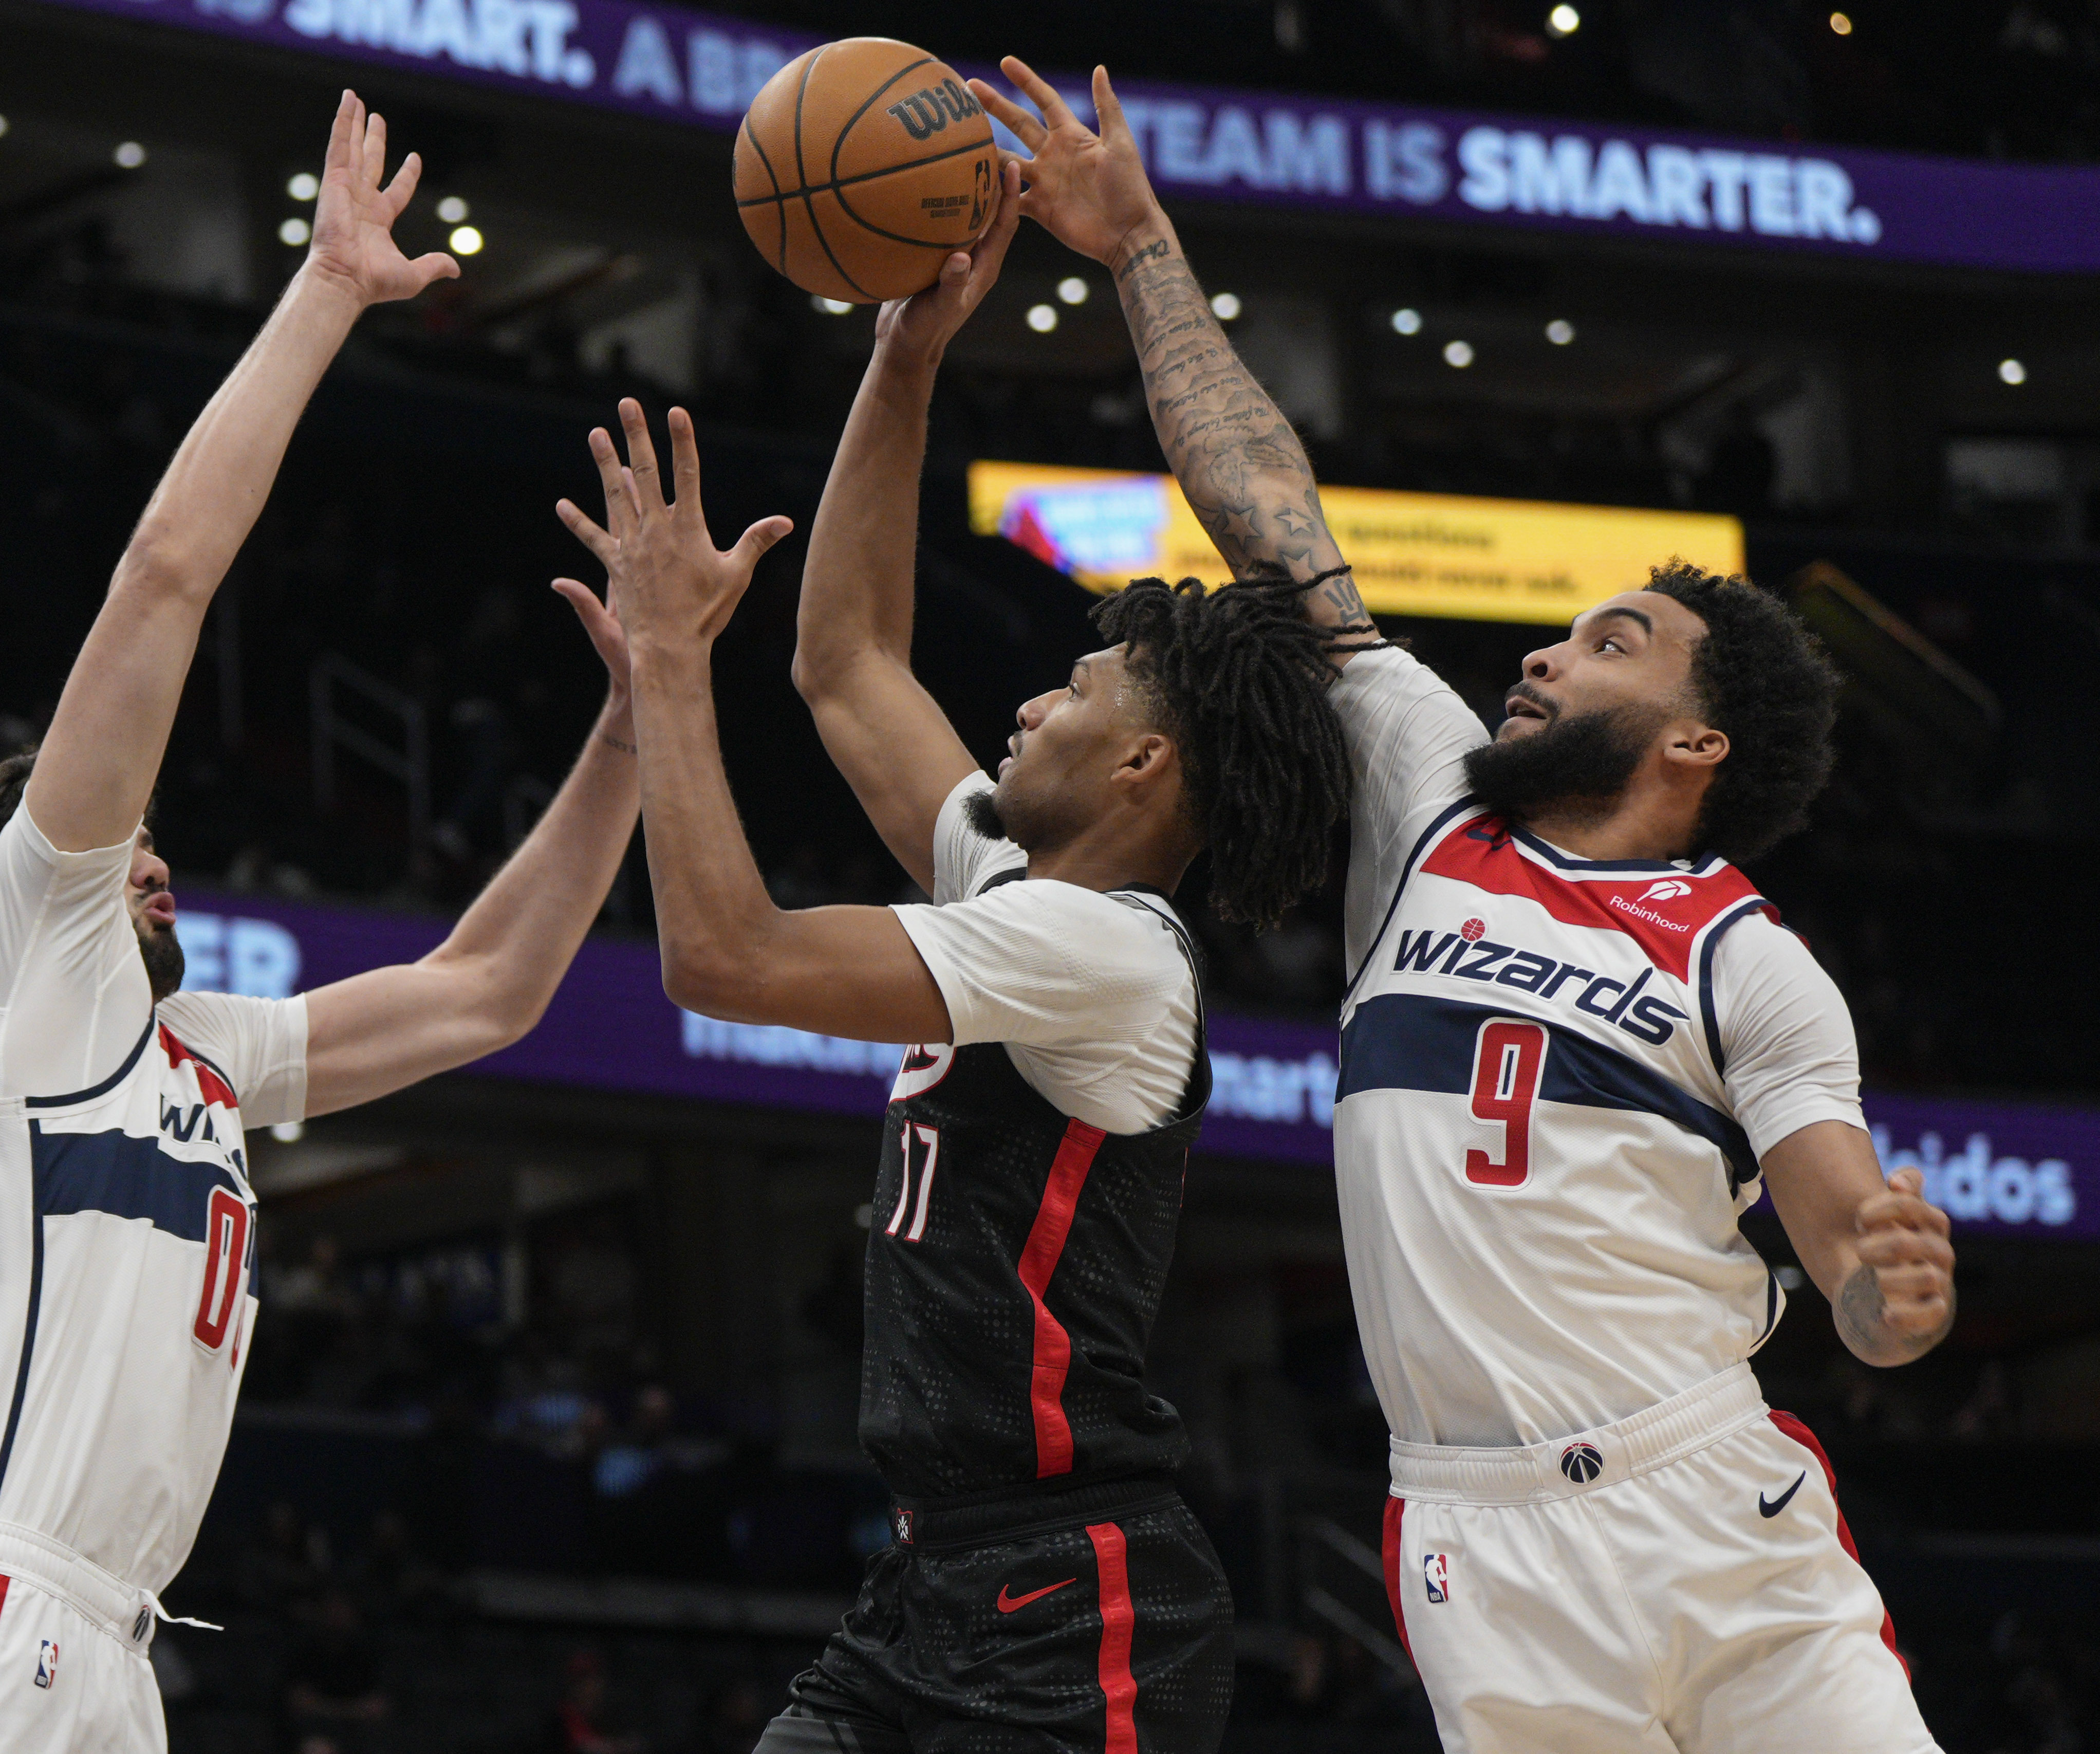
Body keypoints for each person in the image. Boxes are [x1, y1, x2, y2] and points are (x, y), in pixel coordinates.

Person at [974, 56, 1955, 1754]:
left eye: (1606, 645)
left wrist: (1893, 1291)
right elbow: (1267, 513)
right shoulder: (1427, 800)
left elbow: (1848, 1266)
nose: (1543, 653)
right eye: (1565, 631)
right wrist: (1139, 247)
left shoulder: (1752, 961)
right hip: (1476, 1535)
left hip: (1712, 1501)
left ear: (1696, 740)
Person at [0, 93, 644, 1754]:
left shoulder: (188, 1055)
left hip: (114, 1645)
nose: (154, 864)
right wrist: (327, 292)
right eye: (123, 853)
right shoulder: (29, 975)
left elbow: (489, 992)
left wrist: (647, 714)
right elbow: (163, 582)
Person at [552, 167, 1356, 1754]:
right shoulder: (1019, 884)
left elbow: (722, 959)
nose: (1033, 708)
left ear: (1147, 775)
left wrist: (662, 663)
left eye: (1075, 696)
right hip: (937, 1584)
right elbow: (845, 661)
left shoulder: (1102, 955)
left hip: (1074, 1608)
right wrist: (906, 353)